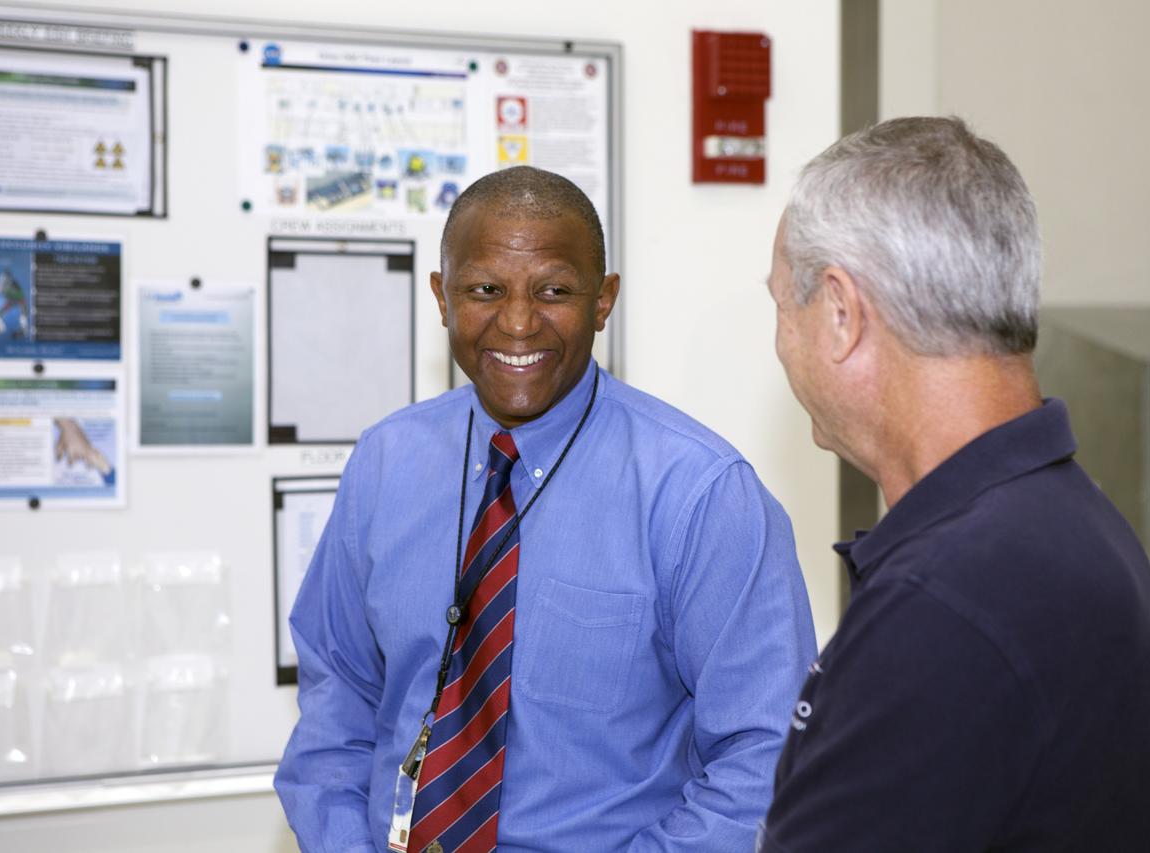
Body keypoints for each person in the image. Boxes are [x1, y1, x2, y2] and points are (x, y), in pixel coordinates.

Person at [276, 166, 816, 853]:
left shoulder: (703, 494)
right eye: (485, 290)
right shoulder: (386, 463)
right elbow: (337, 695)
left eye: (555, 290)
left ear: (604, 300)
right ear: (443, 297)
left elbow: (766, 757)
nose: (519, 321)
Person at [759, 116, 1150, 852]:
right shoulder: (1076, 525)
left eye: (780, 306)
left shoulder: (944, 601)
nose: (779, 342)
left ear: (838, 312)